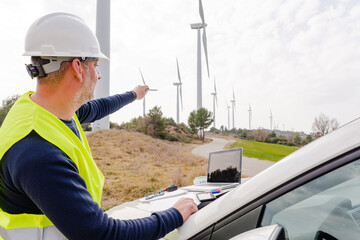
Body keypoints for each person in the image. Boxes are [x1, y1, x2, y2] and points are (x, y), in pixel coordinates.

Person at [0, 12, 198, 240]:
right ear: (77, 67)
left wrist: (133, 95)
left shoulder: (42, 112)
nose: (99, 75)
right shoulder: (37, 153)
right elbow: (101, 234)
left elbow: (98, 108)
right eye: (95, 65)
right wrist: (174, 215)